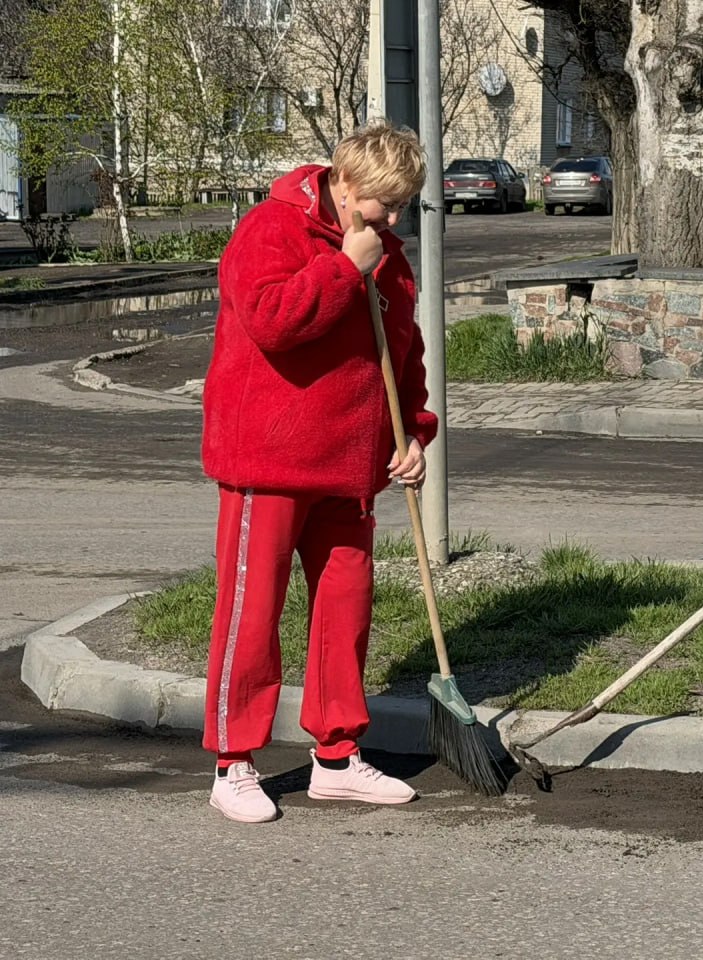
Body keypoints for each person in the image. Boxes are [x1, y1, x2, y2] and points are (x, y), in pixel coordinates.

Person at [200, 120, 437, 823]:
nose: (391, 221)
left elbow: (405, 354)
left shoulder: (386, 255)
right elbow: (272, 321)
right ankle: (233, 763)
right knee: (251, 616)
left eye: (401, 208)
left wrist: (414, 433)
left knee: (345, 614)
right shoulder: (272, 228)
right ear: (343, 181)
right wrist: (344, 267)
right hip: (265, 461)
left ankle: (336, 758)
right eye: (382, 205)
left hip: (349, 467)